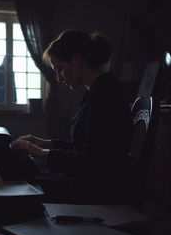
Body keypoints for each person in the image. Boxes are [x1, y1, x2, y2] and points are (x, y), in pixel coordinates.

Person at [11, 29, 133, 204]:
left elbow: (93, 161)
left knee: (22, 183)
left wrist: (42, 153)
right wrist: (46, 143)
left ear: (77, 60)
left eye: (60, 69)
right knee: (25, 177)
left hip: (98, 190)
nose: (59, 78)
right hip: (92, 182)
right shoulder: (99, 91)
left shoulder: (104, 96)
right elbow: (90, 145)